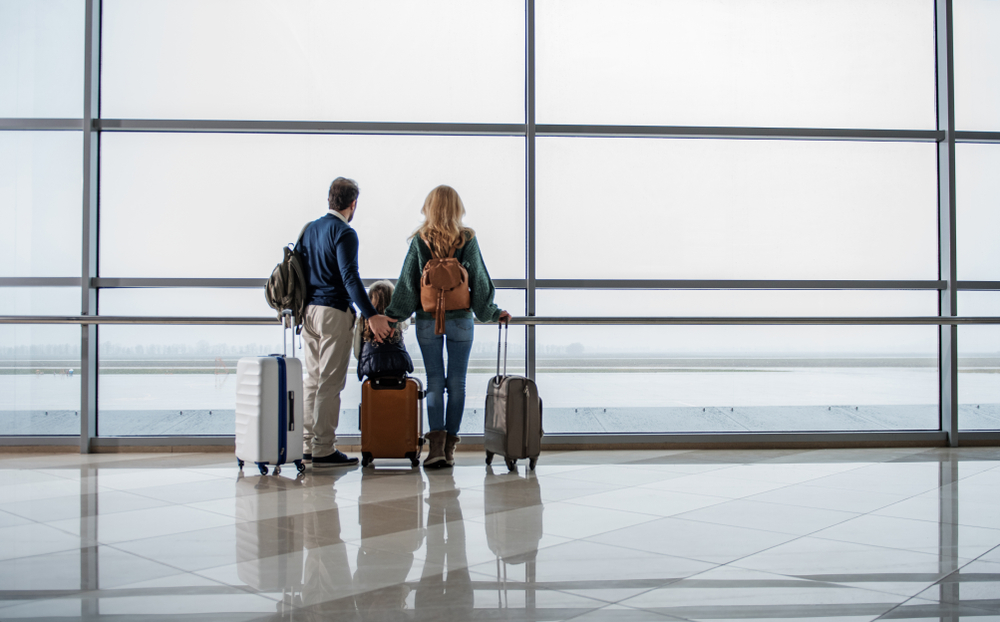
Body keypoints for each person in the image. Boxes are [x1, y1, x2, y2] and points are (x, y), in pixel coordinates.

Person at [384, 185, 511, 468]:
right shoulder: (467, 239)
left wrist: (393, 315)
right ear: (457, 207)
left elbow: (407, 284)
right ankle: (451, 447)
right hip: (462, 321)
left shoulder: (420, 240)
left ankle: (436, 450)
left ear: (429, 207)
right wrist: (492, 312)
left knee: (434, 383)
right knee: (457, 384)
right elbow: (478, 280)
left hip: (428, 320)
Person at [297, 177, 392, 468]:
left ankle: (307, 445)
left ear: (329, 199)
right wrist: (371, 314)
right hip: (332, 313)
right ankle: (324, 448)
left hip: (308, 313)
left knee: (312, 381)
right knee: (329, 382)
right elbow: (350, 278)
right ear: (353, 204)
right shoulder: (344, 233)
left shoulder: (309, 229)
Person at [352, 280, 413, 381]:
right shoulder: (395, 318)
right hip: (398, 366)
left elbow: (357, 352)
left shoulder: (362, 320)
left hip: (371, 369)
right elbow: (407, 322)